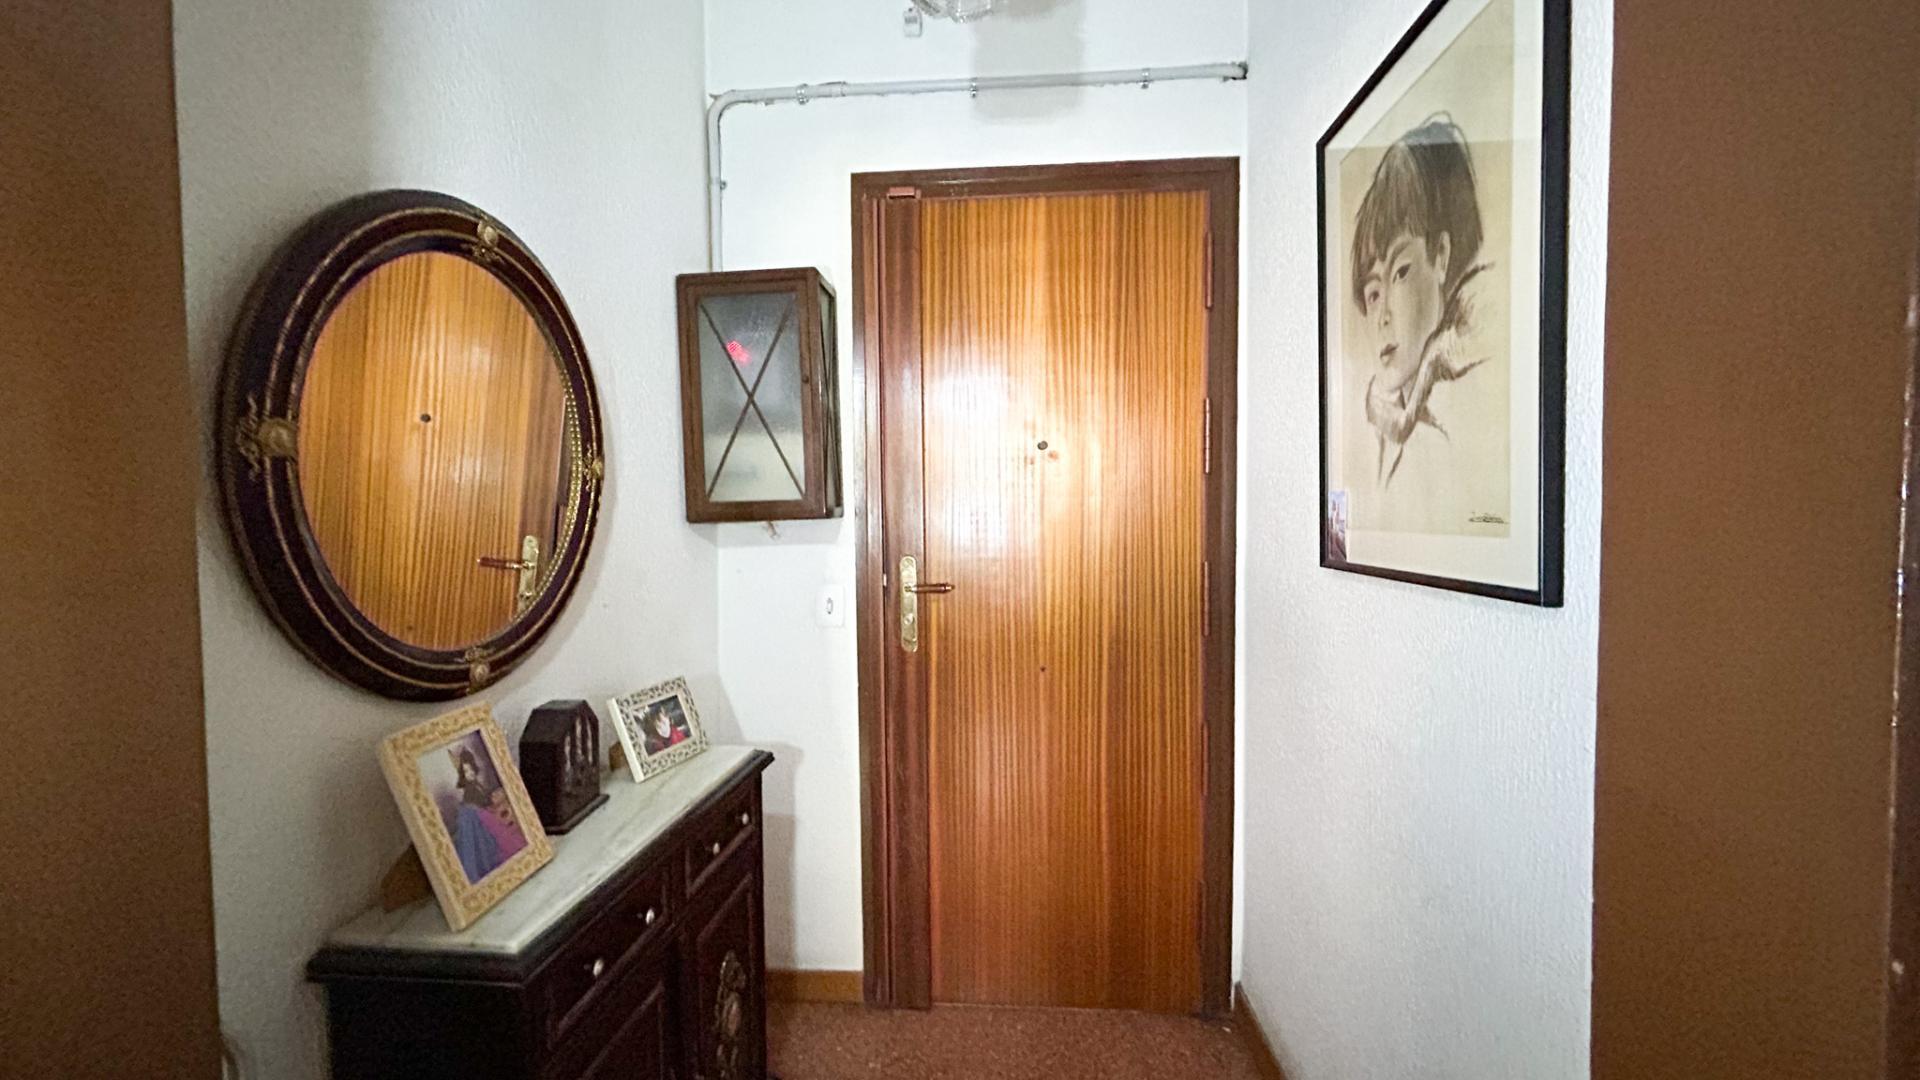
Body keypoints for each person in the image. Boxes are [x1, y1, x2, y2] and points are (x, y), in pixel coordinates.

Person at [1349, 115, 1491, 490]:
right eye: (1373, 293)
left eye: (1400, 272)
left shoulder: (1464, 407)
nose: (1383, 316)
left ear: (1440, 256)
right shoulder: (1381, 417)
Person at [447, 745, 527, 883]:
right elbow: (478, 807)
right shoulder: (469, 793)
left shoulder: (477, 786)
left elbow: (485, 801)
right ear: (462, 775)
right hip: (483, 821)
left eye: (471, 769)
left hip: (487, 817)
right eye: (466, 771)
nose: (470, 773)